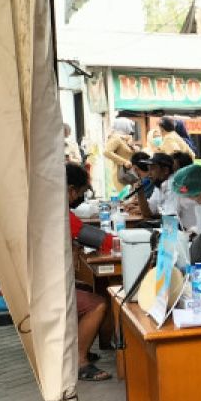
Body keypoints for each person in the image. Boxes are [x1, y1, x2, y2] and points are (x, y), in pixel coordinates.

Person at [66, 163, 113, 382]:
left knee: (86, 288)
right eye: (80, 192)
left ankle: (76, 348)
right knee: (97, 304)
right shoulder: (59, 213)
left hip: (42, 281)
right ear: (70, 190)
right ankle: (80, 361)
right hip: (45, 288)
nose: (79, 198)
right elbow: (100, 240)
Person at [133, 152, 177, 217]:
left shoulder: (174, 185)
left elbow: (170, 217)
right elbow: (148, 213)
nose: (149, 174)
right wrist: (140, 194)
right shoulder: (159, 185)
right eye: (149, 169)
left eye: (153, 169)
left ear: (165, 170)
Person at [103, 117, 137, 191]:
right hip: (121, 173)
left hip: (130, 172)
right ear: (124, 126)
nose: (130, 128)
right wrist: (124, 162)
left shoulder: (125, 138)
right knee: (125, 197)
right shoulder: (116, 138)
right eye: (129, 126)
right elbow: (106, 152)